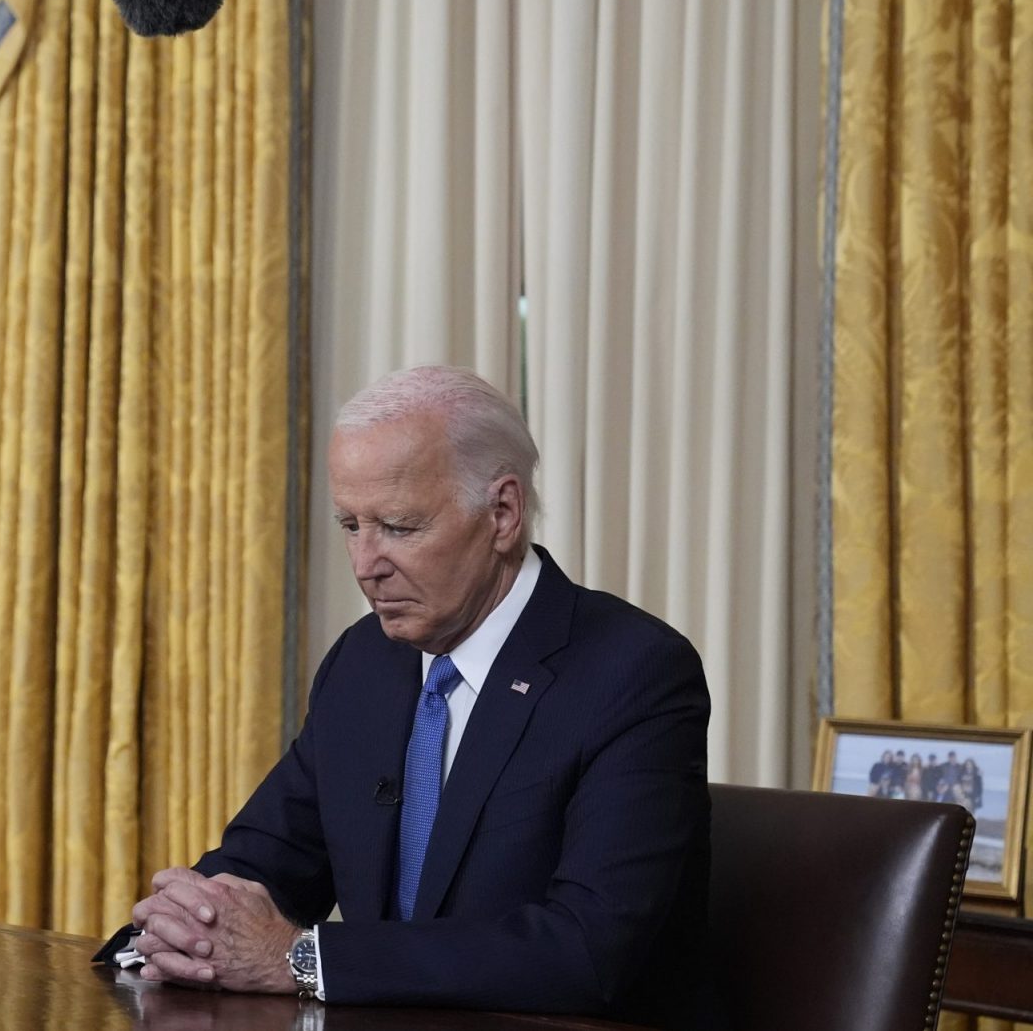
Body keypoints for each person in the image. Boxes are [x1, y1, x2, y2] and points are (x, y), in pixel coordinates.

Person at [102, 366, 718, 1029]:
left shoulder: (634, 671)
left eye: (398, 527)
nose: (366, 563)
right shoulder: (365, 662)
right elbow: (261, 868)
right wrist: (168, 938)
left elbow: (586, 952)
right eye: (350, 525)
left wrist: (301, 960)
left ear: (502, 513)